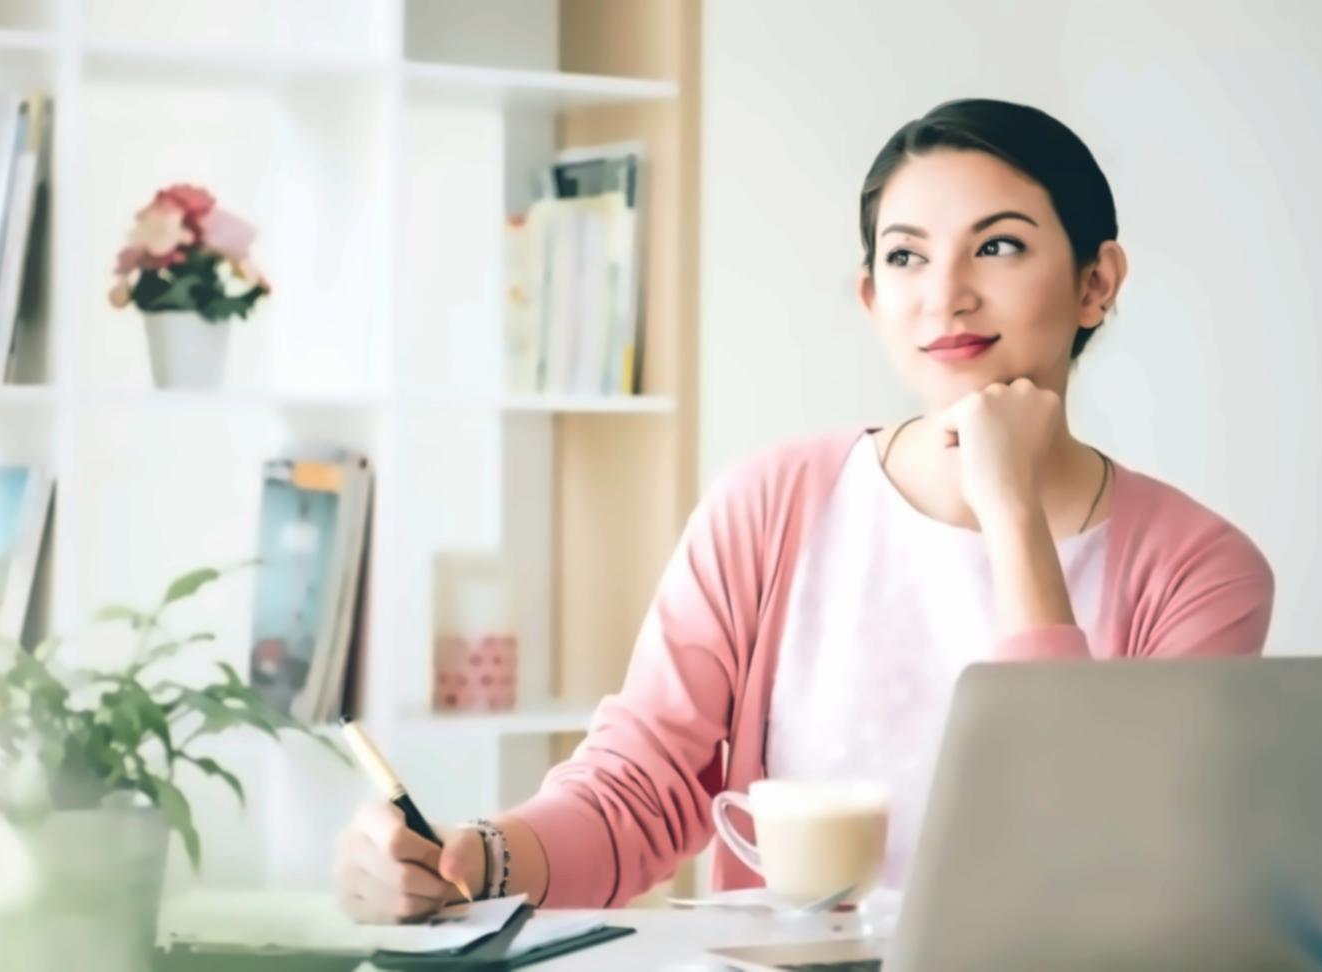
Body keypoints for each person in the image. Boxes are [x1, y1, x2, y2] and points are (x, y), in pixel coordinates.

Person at [333, 98, 1274, 922]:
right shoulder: (774, 503)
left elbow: (1097, 862)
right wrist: (471, 860)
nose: (944, 294)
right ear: (872, 297)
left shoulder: (1202, 570)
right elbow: (639, 791)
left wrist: (1012, 515)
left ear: (1096, 283)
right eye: (905, 256)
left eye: (999, 245)